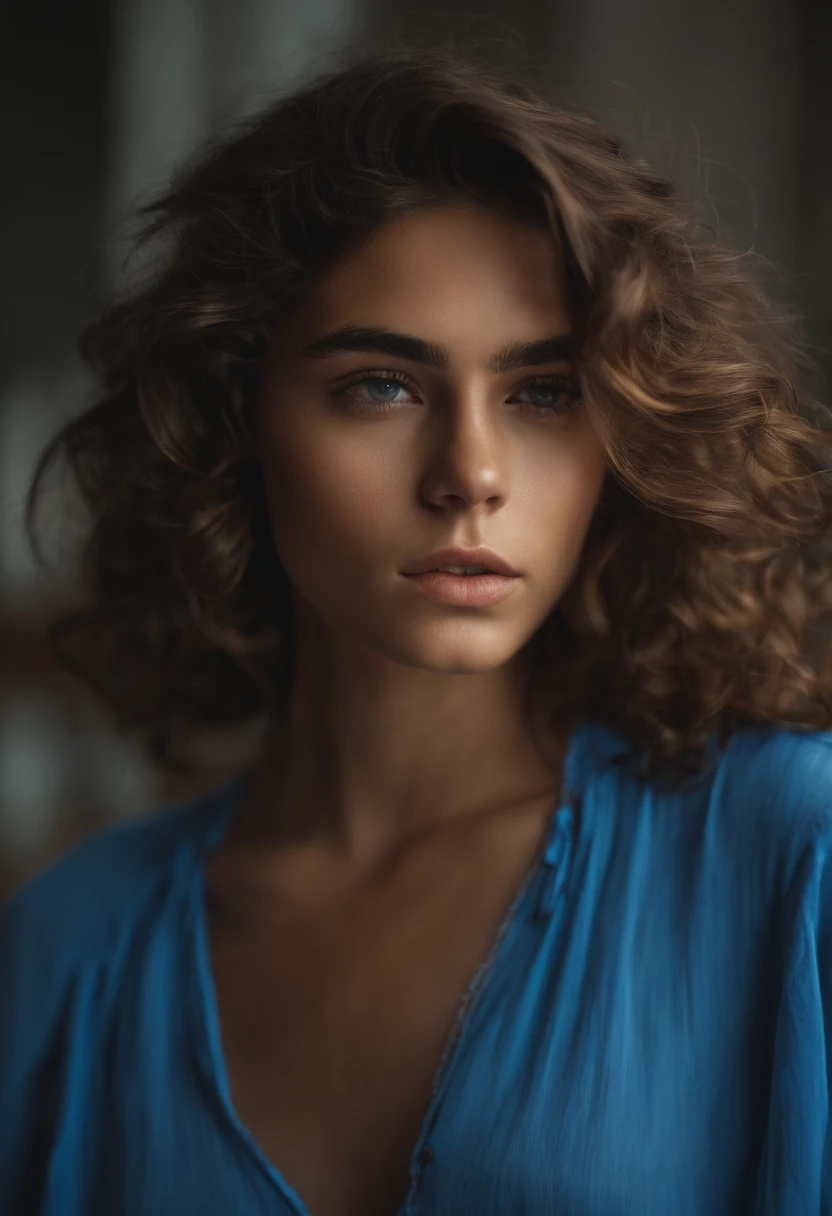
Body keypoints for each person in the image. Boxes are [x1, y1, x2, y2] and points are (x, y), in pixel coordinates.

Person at [2, 45, 832, 1216]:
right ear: (236, 415)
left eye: (543, 392)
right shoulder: (62, 954)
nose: (470, 475)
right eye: (382, 386)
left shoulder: (788, 852)